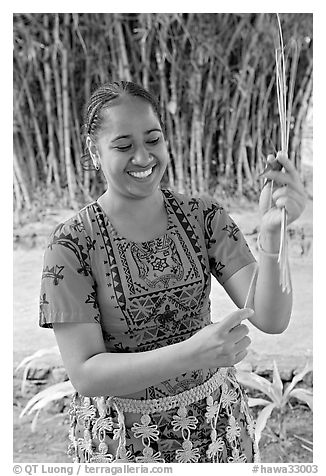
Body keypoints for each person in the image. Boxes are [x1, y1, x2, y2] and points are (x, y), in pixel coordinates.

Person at [39, 81, 306, 464]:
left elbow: (270, 317)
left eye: (153, 140)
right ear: (93, 152)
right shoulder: (71, 244)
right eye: (123, 145)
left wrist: (273, 233)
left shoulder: (204, 218)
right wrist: (191, 354)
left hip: (218, 429)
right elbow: (86, 374)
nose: (144, 157)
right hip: (125, 443)